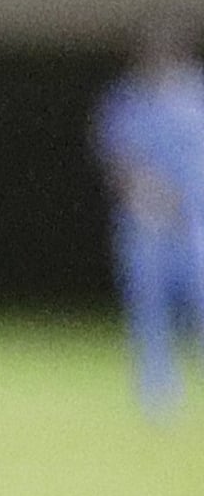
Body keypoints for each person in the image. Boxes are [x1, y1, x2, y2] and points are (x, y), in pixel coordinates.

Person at [92, 24, 204, 416]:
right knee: (149, 309)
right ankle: (158, 392)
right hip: (147, 225)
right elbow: (115, 158)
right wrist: (144, 191)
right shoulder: (126, 100)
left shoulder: (196, 95)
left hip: (196, 223)